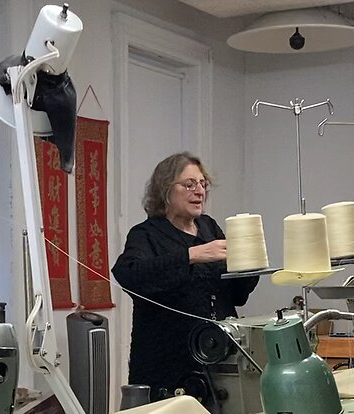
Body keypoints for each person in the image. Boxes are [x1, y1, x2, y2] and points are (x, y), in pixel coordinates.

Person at [111, 152, 259, 400]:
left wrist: (248, 265)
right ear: (165, 190)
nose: (199, 191)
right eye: (189, 184)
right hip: (167, 364)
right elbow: (129, 275)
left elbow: (236, 294)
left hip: (216, 358)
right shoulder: (146, 235)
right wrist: (191, 255)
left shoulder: (209, 227)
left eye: (203, 184)